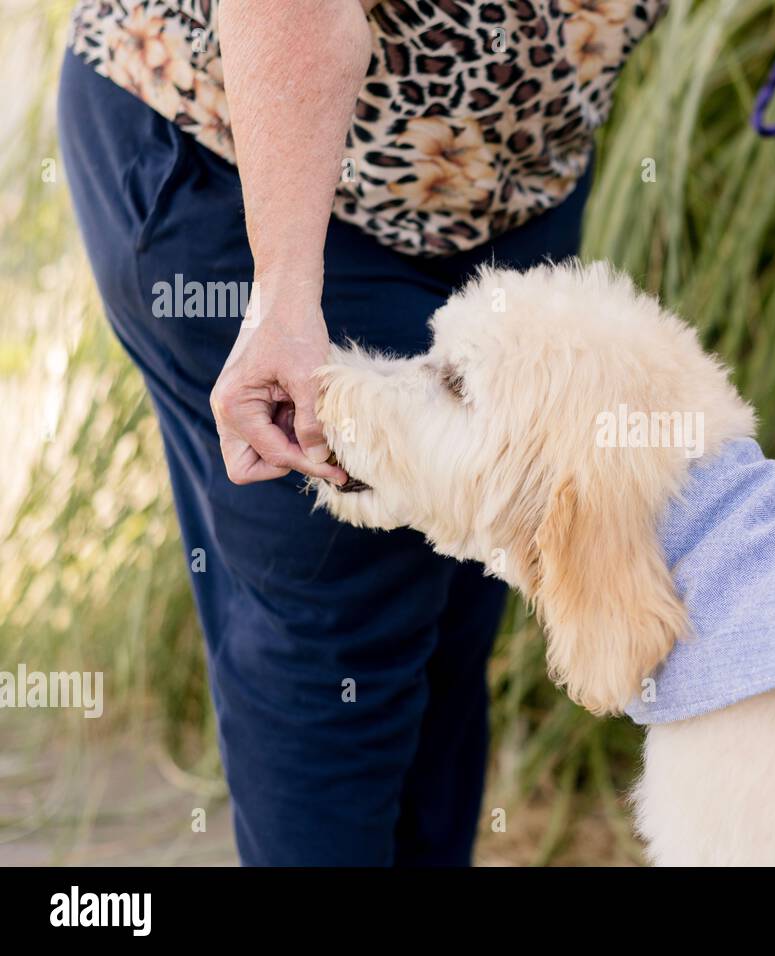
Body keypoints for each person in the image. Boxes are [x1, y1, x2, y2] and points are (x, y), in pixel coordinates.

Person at [57, 0, 666, 865]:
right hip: (260, 170)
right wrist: (282, 297)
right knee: (341, 640)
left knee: (459, 603)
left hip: (510, 189)